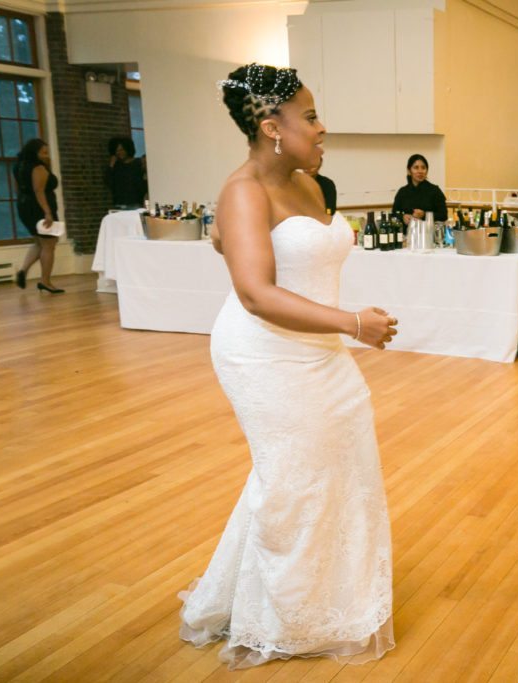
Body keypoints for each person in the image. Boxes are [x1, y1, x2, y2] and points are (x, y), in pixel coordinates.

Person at [178, 63, 397, 669]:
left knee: (332, 468)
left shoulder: (308, 182)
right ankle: (282, 615)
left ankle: (323, 596)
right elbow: (255, 292)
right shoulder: (243, 189)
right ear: (272, 127)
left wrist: (342, 329)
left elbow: (300, 256)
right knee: (292, 477)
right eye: (310, 116)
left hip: (319, 350)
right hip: (264, 351)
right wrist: (354, 324)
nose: (323, 128)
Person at [14, 138, 63, 293]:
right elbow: (39, 191)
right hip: (39, 208)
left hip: (24, 205)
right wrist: (47, 212)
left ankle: (23, 270)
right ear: (34, 152)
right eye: (43, 152)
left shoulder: (18, 166)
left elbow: (21, 188)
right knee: (49, 244)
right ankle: (46, 281)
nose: (46, 155)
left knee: (39, 242)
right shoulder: (38, 168)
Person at [392, 154, 447, 223]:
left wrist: (424, 215)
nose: (420, 171)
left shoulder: (435, 190)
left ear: (427, 171)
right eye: (416, 167)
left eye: (423, 168)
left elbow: (443, 215)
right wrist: (402, 217)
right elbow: (394, 214)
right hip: (407, 232)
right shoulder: (402, 192)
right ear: (409, 171)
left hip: (429, 231)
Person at [104, 136, 147, 208]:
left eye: (122, 150)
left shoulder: (138, 163)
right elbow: (108, 182)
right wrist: (111, 165)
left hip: (136, 203)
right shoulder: (116, 166)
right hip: (119, 203)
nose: (119, 152)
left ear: (128, 149)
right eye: (117, 150)